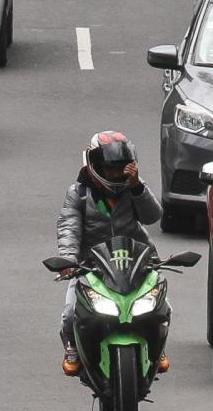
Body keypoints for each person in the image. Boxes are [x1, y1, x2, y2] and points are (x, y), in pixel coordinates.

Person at [55, 131, 162, 375]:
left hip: (134, 260)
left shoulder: (134, 188)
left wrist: (137, 188)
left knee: (160, 305)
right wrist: (69, 260)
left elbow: (152, 216)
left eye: (122, 168)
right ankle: (72, 345)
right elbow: (69, 227)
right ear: (95, 167)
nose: (117, 174)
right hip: (91, 264)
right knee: (70, 313)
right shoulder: (79, 194)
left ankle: (157, 348)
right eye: (111, 169)